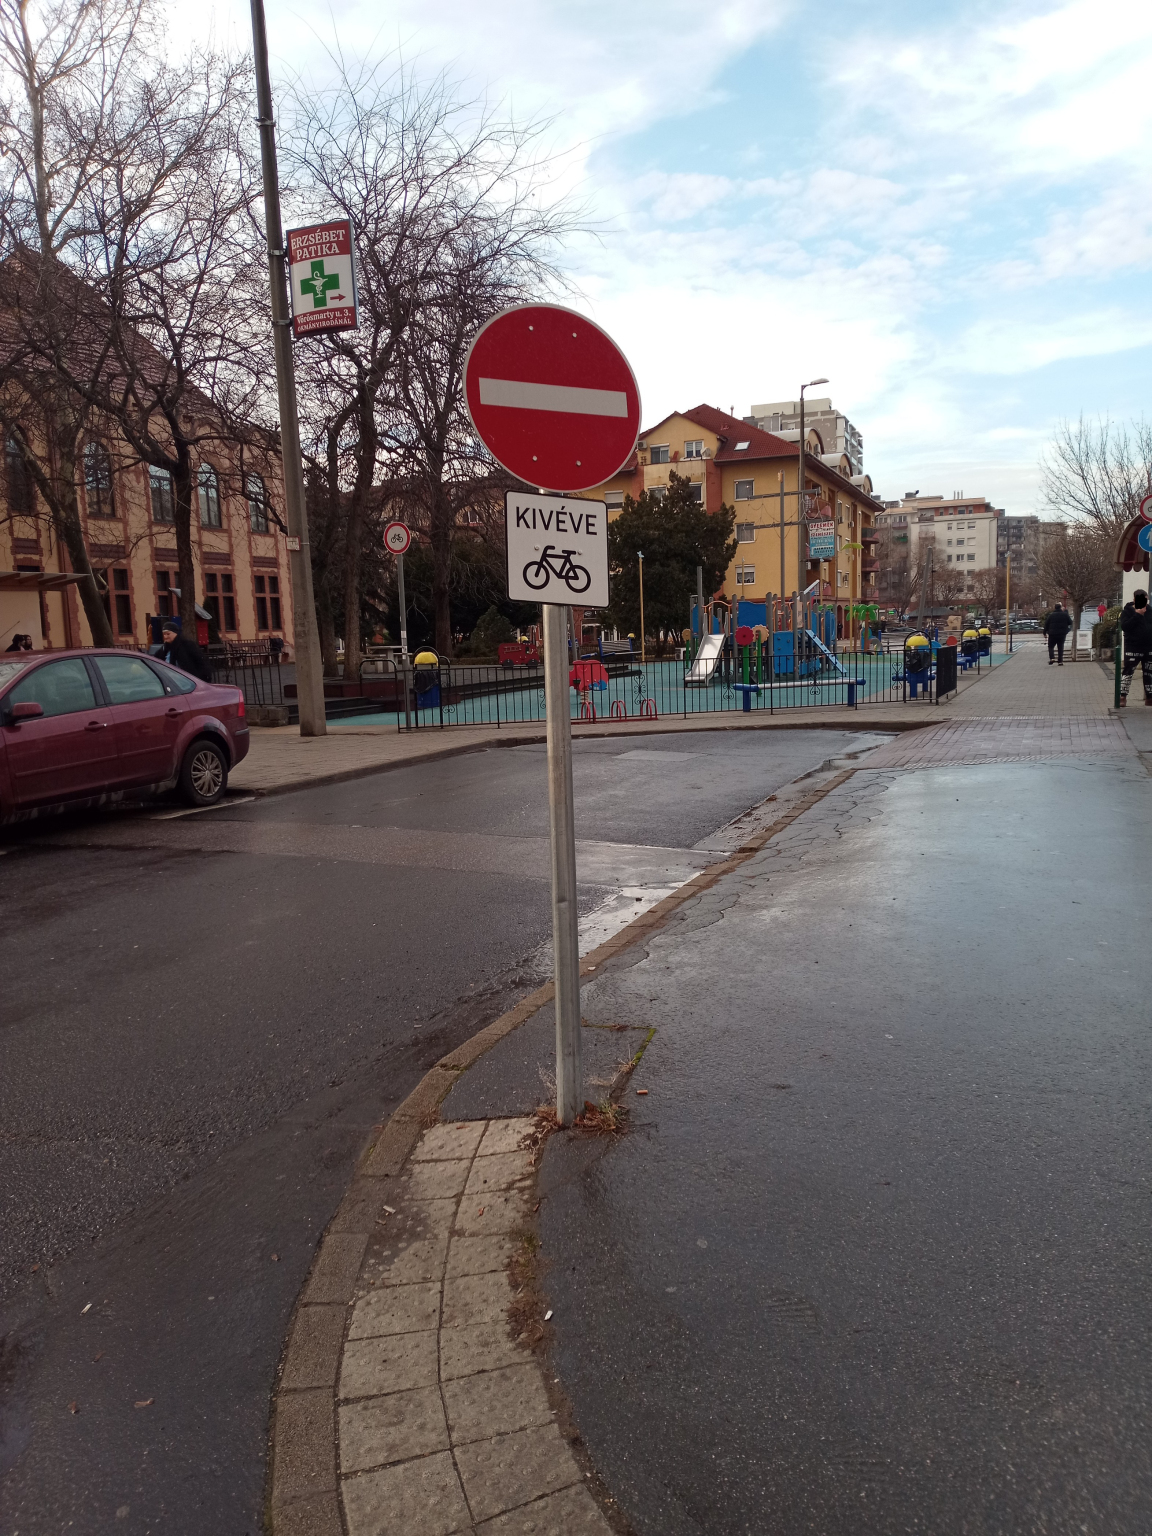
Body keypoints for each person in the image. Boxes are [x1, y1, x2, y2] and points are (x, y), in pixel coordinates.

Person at [1118, 589, 1152, 707]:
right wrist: (1138, 614)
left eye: (1146, 600)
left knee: (1149, 673)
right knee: (1128, 672)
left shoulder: (1150, 611)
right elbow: (1125, 626)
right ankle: (1123, 696)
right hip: (1133, 647)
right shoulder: (1127, 611)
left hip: (1148, 647)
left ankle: (1149, 697)